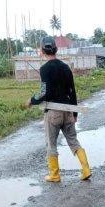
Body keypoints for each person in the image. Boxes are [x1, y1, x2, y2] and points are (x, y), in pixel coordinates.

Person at [26, 36, 91, 182]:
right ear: (55, 49)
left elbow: (44, 93)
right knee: (73, 141)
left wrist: (32, 100)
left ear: (42, 51)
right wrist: (74, 113)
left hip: (53, 113)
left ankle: (54, 175)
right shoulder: (65, 67)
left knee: (51, 144)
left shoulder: (44, 69)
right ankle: (86, 169)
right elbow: (72, 91)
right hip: (68, 110)